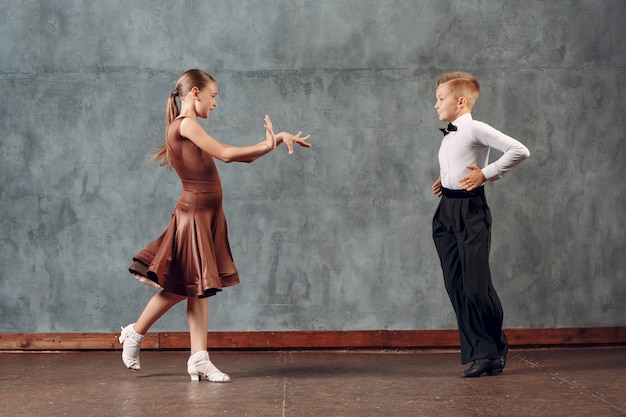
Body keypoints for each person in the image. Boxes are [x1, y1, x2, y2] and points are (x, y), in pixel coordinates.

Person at [119, 69, 311, 383]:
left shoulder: (184, 126)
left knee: (198, 288)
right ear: (195, 92)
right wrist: (270, 142)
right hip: (193, 215)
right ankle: (136, 334)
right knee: (183, 287)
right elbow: (226, 154)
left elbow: (242, 159)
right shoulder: (186, 125)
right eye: (214, 95)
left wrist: (272, 142)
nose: (216, 102)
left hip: (206, 215)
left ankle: (198, 358)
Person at [431, 71, 529, 378]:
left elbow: (519, 150)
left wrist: (486, 174)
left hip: (471, 211)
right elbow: (456, 161)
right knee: (455, 285)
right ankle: (483, 354)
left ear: (460, 101)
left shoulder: (475, 128)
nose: (436, 105)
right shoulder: (451, 133)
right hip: (445, 211)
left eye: (440, 98)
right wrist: (444, 179)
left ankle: (495, 346)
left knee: (475, 286)